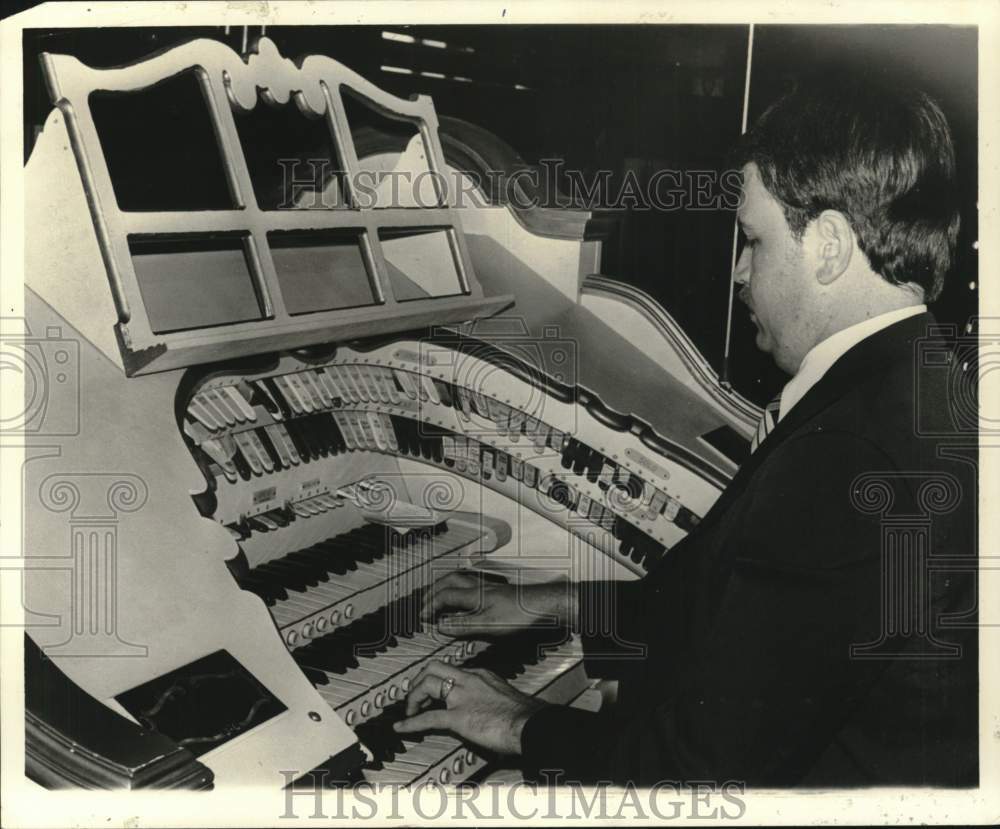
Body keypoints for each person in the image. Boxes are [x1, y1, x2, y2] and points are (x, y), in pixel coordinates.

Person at [392, 76, 978, 787]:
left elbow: (701, 769)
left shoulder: (850, 452)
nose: (737, 270)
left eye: (753, 240)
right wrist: (554, 602)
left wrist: (517, 721)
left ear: (827, 245)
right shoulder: (914, 387)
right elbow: (744, 610)